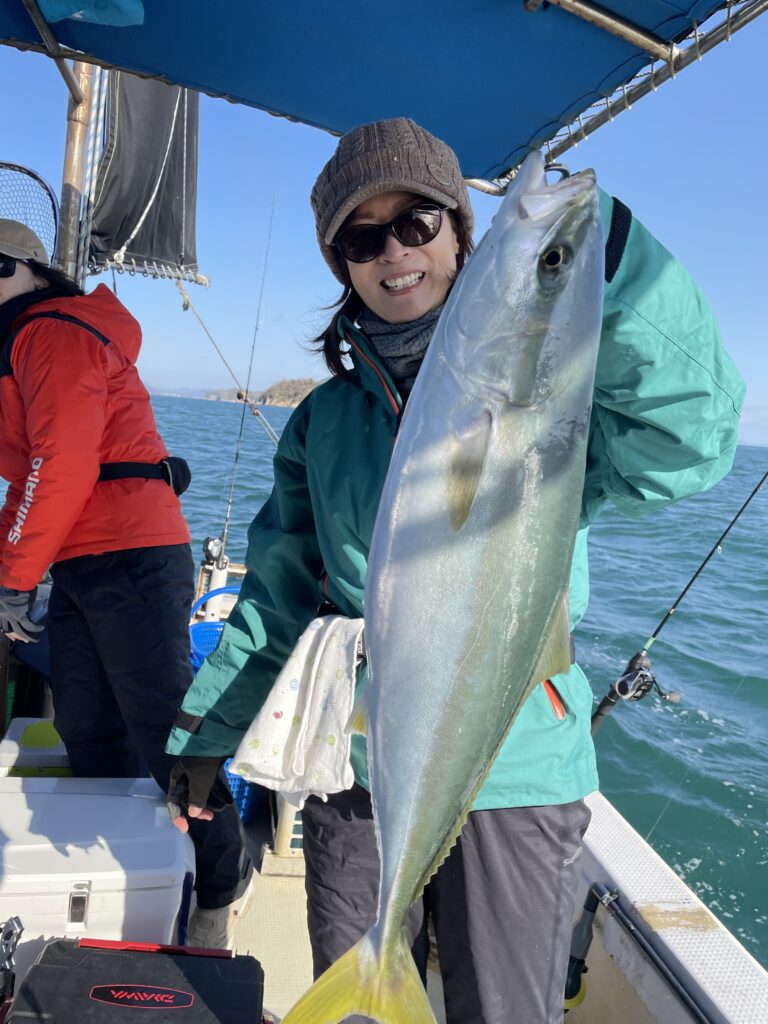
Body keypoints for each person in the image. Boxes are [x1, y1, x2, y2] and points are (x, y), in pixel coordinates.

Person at [165, 118, 744, 1022]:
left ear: (463, 234)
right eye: (364, 238)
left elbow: (694, 439)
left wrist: (609, 256)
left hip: (516, 764)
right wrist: (207, 732)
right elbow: (278, 596)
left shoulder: (558, 399)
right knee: (358, 1001)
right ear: (342, 265)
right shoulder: (324, 422)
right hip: (358, 759)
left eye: (418, 222)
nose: (395, 251)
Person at [0, 218, 252, 949]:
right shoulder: (25, 339)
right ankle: (118, 874)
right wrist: (10, 568)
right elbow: (30, 480)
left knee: (165, 728)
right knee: (86, 725)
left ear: (29, 270)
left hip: (131, 554)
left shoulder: (50, 329)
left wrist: (15, 576)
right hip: (81, 561)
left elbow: (63, 462)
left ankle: (219, 884)